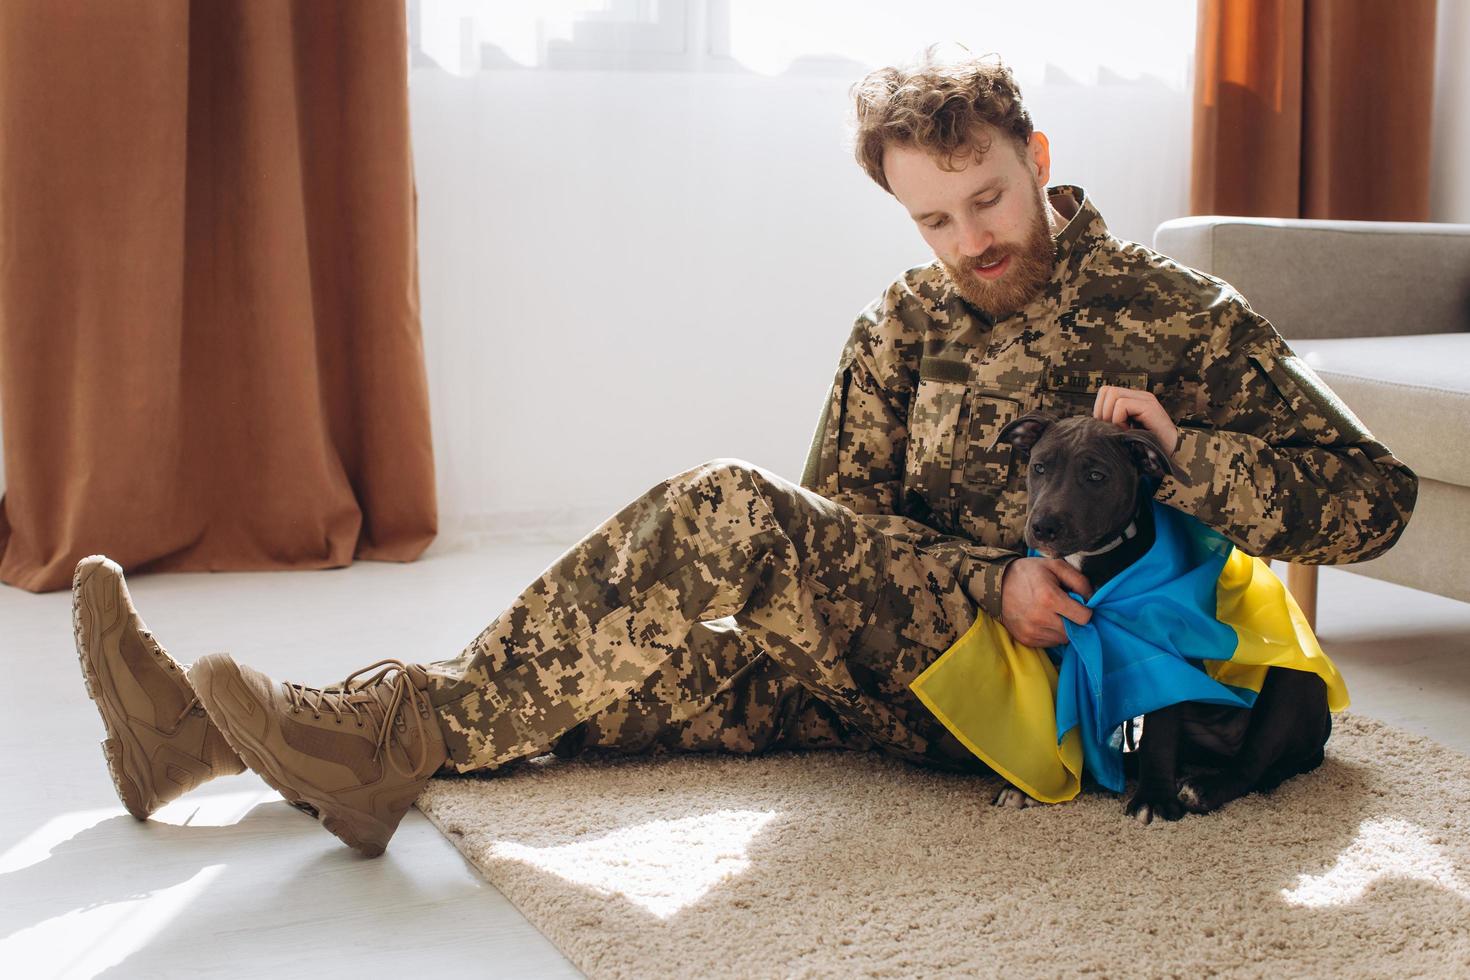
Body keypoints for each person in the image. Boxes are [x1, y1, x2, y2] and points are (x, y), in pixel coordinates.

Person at [72, 51, 1417, 858]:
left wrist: (1183, 459)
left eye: (988, 198)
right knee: (630, 648)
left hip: (1063, 703)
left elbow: (1375, 501)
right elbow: (835, 532)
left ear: (1037, 156)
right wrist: (973, 587)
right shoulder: (896, 325)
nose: (969, 241)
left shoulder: (1184, 315)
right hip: (918, 664)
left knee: (717, 511)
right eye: (934, 218)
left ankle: (367, 739)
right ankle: (201, 742)